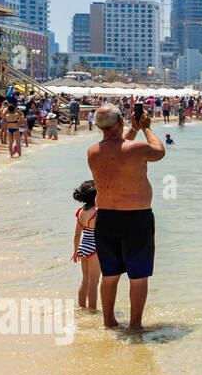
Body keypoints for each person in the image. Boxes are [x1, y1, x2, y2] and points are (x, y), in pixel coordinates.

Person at [86, 103, 165, 330]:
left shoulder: (93, 151)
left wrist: (133, 128)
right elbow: (159, 151)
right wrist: (146, 128)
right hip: (136, 218)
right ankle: (135, 325)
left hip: (107, 218)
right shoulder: (137, 149)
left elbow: (118, 148)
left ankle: (108, 321)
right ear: (120, 122)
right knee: (138, 276)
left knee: (110, 274)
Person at [71, 180, 100, 310]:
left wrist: (76, 251)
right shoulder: (97, 212)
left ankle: (81, 307)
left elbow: (77, 235)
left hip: (83, 247)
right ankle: (92, 310)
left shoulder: (80, 212)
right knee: (94, 282)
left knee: (85, 280)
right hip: (94, 249)